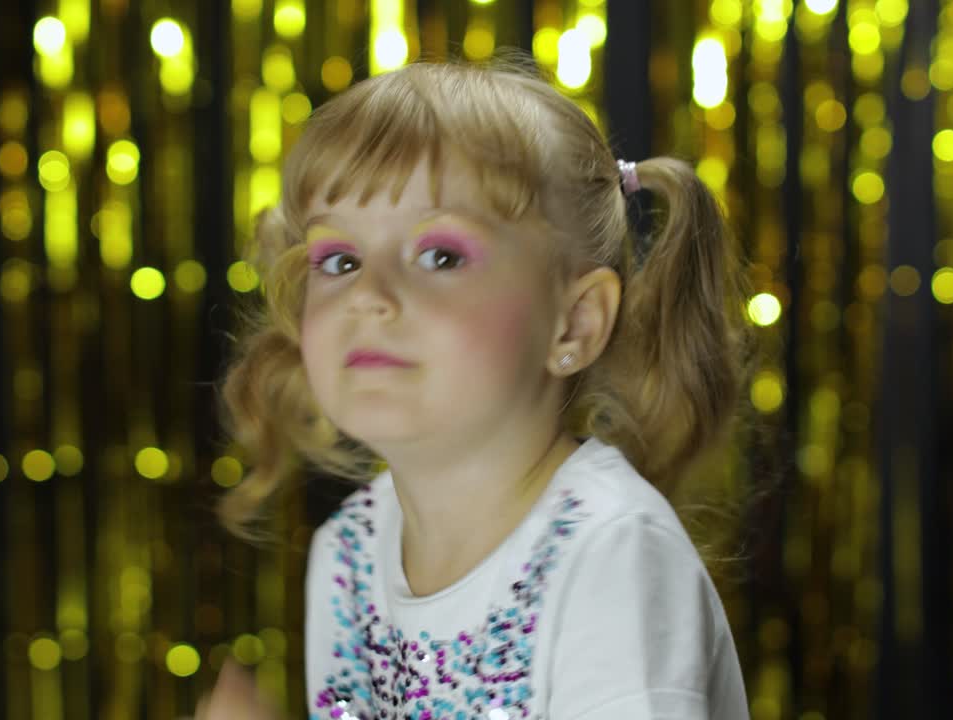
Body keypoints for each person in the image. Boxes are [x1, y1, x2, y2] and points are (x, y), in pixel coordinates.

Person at [204, 55, 751, 719]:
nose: (369, 296)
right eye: (340, 260)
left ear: (573, 323)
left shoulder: (612, 554)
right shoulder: (348, 555)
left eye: (441, 256)